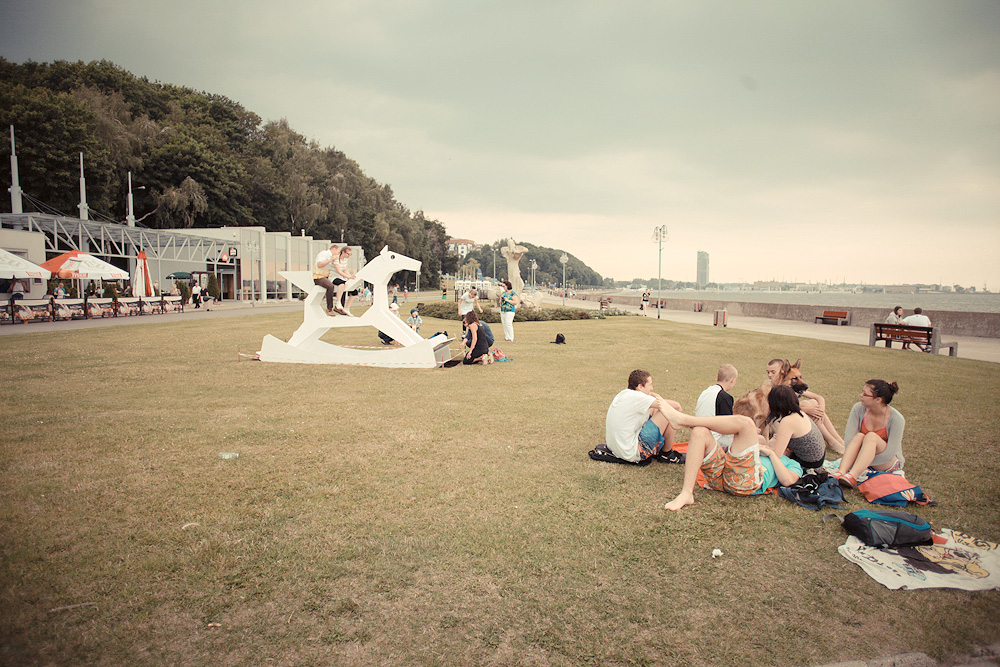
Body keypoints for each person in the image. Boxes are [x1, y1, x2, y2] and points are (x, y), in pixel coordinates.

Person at [662, 403, 803, 511]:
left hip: (742, 483)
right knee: (700, 432)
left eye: (776, 437)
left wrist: (772, 454)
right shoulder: (760, 446)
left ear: (788, 448)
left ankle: (684, 420)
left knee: (746, 423)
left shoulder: (791, 463)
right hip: (721, 477)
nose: (772, 437)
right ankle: (687, 493)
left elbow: (788, 480)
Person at [598, 369, 685, 465]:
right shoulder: (639, 398)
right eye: (650, 385)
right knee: (667, 410)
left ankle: (663, 450)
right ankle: (667, 454)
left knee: (656, 409)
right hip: (633, 453)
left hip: (617, 449)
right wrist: (657, 396)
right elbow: (676, 406)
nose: (651, 388)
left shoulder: (624, 394)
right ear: (640, 386)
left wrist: (652, 395)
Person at [832, 380, 904, 489]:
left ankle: (853, 475)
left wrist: (862, 461)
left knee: (871, 437)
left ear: (878, 400)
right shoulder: (858, 408)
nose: (860, 395)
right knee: (860, 436)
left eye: (864, 394)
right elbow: (849, 441)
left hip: (887, 462)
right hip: (864, 456)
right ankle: (841, 472)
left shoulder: (896, 419)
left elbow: (889, 454)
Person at [765, 358, 844, 453]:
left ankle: (838, 440)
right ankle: (832, 442)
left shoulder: (790, 386)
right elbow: (782, 408)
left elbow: (819, 398)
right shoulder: (774, 389)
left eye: (773, 372)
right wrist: (807, 410)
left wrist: (821, 410)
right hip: (779, 422)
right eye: (768, 372)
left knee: (813, 404)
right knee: (807, 405)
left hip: (790, 419)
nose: (770, 375)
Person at [764, 385, 827, 471]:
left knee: (768, 448)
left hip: (810, 466)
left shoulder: (788, 421)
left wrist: (760, 448)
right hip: (818, 458)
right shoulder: (799, 413)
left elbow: (777, 454)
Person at [695, 364, 738, 450]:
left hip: (698, 437)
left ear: (717, 376)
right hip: (714, 441)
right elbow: (728, 426)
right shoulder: (725, 397)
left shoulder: (705, 392)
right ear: (732, 380)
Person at [313, 243, 341, 315]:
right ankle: (329, 309)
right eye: (338, 252)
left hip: (327, 277)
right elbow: (319, 264)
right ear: (334, 249)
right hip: (318, 277)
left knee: (342, 285)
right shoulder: (324, 254)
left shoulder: (333, 258)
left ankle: (340, 307)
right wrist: (331, 259)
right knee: (330, 286)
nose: (338, 254)